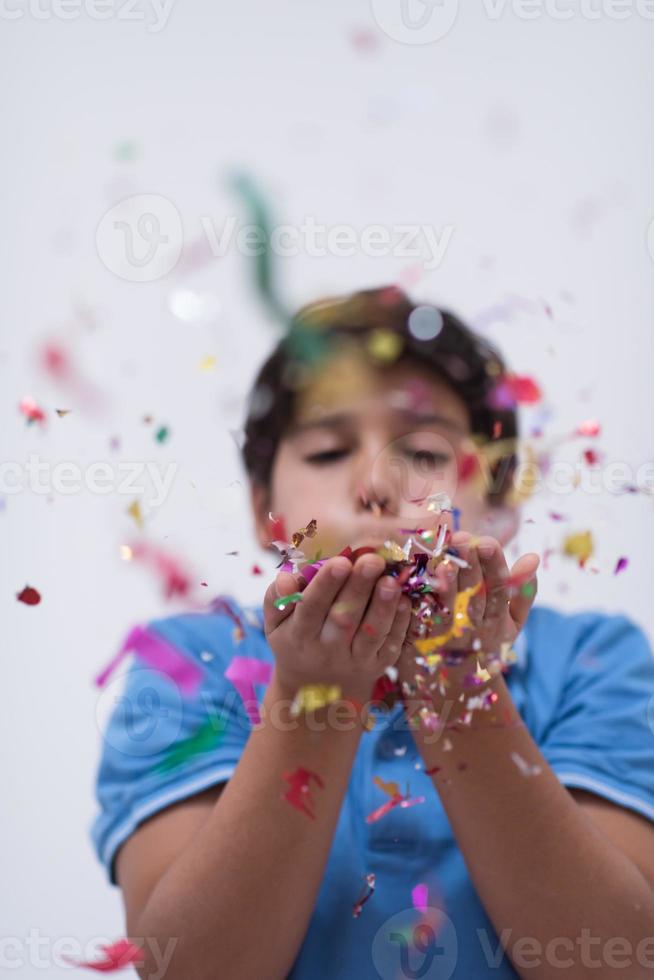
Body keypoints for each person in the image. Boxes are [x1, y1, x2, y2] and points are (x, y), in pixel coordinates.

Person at [90, 287, 654, 980]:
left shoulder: (594, 661)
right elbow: (187, 970)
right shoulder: (188, 662)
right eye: (328, 451)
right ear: (264, 508)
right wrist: (316, 694)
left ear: (501, 495)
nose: (376, 486)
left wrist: (458, 691)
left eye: (421, 451)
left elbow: (621, 965)